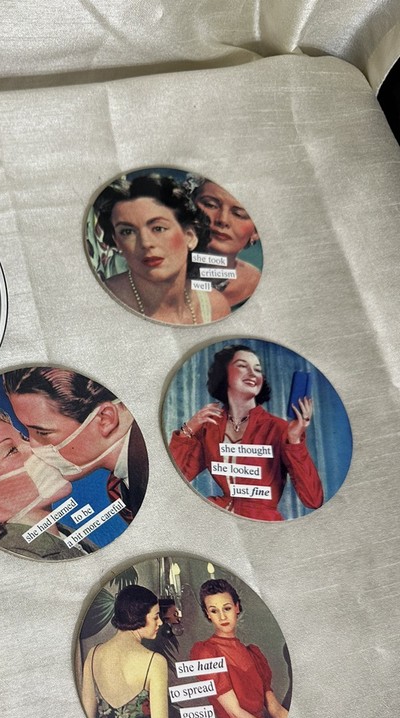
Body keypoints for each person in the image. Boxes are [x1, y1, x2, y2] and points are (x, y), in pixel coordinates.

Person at [168, 343, 323, 521]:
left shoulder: (279, 429)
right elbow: (175, 478)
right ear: (224, 373)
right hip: (216, 517)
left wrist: (294, 441)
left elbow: (313, 499)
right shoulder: (210, 427)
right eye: (242, 366)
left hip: (261, 524)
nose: (252, 373)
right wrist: (188, 430)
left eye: (257, 370)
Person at [0, 406, 93, 559]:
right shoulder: (21, 555)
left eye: (24, 438)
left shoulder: (63, 535)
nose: (34, 446)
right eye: (11, 450)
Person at [4, 367, 148, 523]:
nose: (33, 446)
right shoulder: (121, 485)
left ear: (105, 419)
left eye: (42, 432)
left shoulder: (148, 468)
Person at [93, 174, 229, 325]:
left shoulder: (215, 306)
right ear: (117, 242)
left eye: (158, 228)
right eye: (127, 232)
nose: (145, 243)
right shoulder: (103, 304)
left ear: (190, 237)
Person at [189, 579, 288, 718]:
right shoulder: (205, 653)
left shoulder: (254, 654)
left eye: (226, 608)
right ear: (208, 614)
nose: (222, 616)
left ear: (237, 607)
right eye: (214, 611)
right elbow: (236, 715)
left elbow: (275, 709)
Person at [80, 586, 175, 718]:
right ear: (138, 618)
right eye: (155, 617)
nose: (160, 622)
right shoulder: (154, 662)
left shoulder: (93, 655)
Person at [193, 179, 261, 308]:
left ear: (255, 232)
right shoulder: (156, 276)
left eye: (239, 214)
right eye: (210, 205)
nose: (222, 220)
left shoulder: (257, 283)